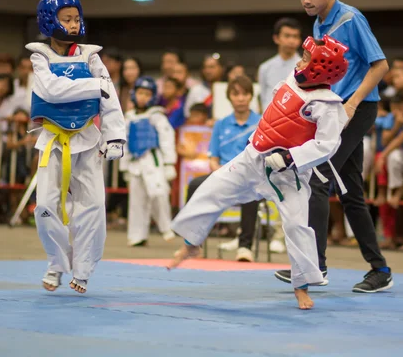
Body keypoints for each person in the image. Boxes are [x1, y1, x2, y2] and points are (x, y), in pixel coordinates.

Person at [167, 35, 350, 310]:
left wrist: (290, 156)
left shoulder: (326, 104)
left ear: (319, 70)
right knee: (210, 188)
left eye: (306, 59)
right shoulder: (293, 78)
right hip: (252, 157)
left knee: (296, 225)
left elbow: (327, 145)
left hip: (287, 174)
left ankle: (301, 286)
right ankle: (192, 241)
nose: (299, 61)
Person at [274, 0, 393, 293]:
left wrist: (353, 103)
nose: (306, 0)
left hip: (359, 110)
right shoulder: (317, 26)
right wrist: (306, 68)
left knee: (316, 179)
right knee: (351, 191)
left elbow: (380, 65)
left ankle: (315, 266)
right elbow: (327, 71)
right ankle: (380, 269)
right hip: (335, 113)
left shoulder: (351, 19)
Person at [28, 0, 126, 294]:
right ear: (49, 20)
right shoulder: (39, 56)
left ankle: (82, 270)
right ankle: (57, 262)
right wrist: (95, 85)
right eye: (66, 18)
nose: (73, 24)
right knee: (44, 205)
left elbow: (110, 99)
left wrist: (115, 136)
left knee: (94, 206)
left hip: (88, 139)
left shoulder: (91, 56)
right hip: (53, 141)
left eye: (76, 18)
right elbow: (52, 91)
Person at [183, 75, 262, 262]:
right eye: (236, 94)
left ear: (251, 96)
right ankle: (193, 243)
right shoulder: (220, 124)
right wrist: (220, 171)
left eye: (245, 94)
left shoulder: (261, 122)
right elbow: (213, 158)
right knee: (195, 185)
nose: (240, 98)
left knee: (252, 191)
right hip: (223, 175)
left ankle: (244, 247)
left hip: (248, 176)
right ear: (229, 97)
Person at [120, 76, 177, 246]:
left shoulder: (157, 116)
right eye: (140, 93)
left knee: (158, 194)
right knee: (137, 201)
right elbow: (124, 141)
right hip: (135, 162)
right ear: (133, 94)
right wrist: (124, 167)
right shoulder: (128, 117)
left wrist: (169, 163)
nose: (142, 97)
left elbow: (167, 138)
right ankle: (137, 235)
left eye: (146, 94)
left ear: (152, 96)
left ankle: (166, 226)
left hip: (153, 160)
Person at [258, 18, 302, 111]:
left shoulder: (305, 67)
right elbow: (263, 98)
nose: (291, 40)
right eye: (287, 36)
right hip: (269, 120)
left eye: (295, 36)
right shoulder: (265, 68)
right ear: (276, 38)